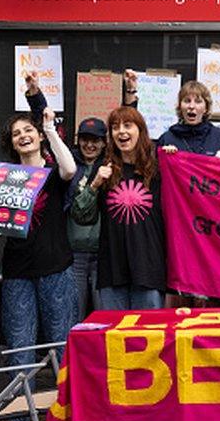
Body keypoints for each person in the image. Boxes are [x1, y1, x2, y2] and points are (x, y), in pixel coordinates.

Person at [0, 74, 77, 421]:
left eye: (28, 131)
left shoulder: (53, 170)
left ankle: (63, 413)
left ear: (39, 136)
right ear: (11, 144)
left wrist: (49, 127)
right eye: (16, 134)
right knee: (21, 344)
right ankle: (19, 415)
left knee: (59, 344)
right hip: (17, 273)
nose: (23, 136)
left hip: (55, 268)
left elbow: (70, 169)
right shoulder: (5, 176)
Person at [71, 106, 168, 311]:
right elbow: (81, 215)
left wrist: (173, 156)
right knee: (114, 339)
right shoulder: (104, 170)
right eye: (115, 128)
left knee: (148, 338)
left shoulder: (158, 169)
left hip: (148, 270)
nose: (121, 131)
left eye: (127, 125)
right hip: (112, 272)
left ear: (140, 130)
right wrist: (95, 184)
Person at [66, 117, 107, 319]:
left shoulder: (110, 165)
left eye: (96, 140)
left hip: (104, 254)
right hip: (74, 254)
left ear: (104, 142)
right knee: (74, 313)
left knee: (104, 316)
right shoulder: (68, 166)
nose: (89, 145)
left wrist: (131, 96)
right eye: (85, 139)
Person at [156, 79, 220, 155]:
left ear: (206, 108)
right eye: (187, 101)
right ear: (180, 106)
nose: (191, 106)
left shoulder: (219, 137)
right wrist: (164, 154)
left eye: (198, 101)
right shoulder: (167, 139)